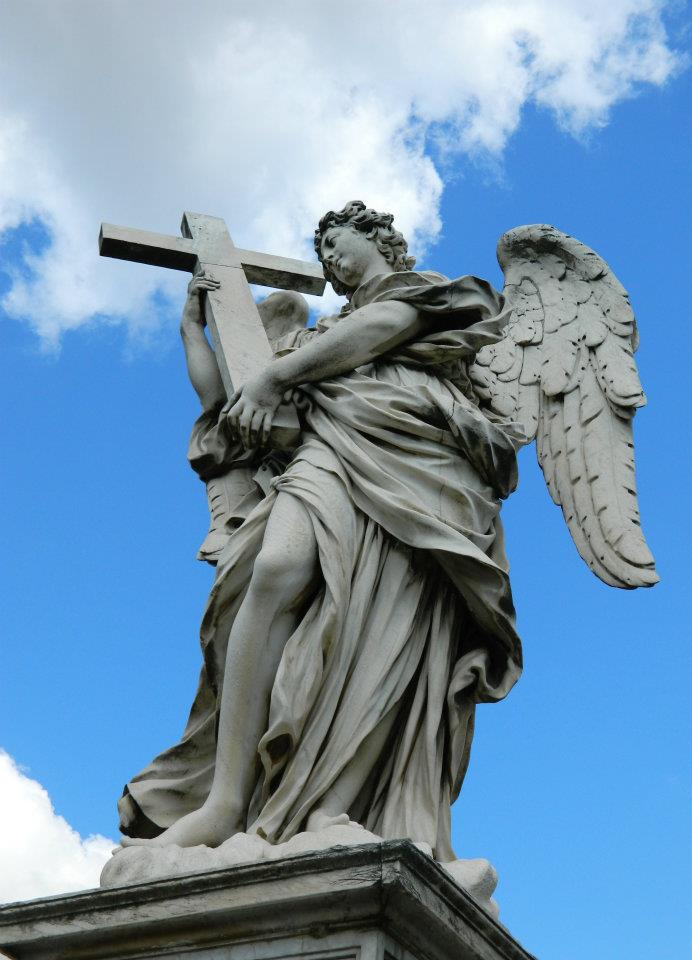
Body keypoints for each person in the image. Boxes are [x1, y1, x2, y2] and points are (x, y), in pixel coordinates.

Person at [119, 201, 524, 861]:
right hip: (330, 450)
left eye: (338, 241)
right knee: (273, 570)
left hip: (421, 466)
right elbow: (231, 407)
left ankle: (334, 803)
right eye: (323, 251)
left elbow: (382, 327)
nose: (330, 258)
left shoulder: (426, 294)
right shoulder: (315, 343)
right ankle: (226, 799)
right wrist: (196, 333)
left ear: (380, 240)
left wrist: (279, 375)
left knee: (383, 630)